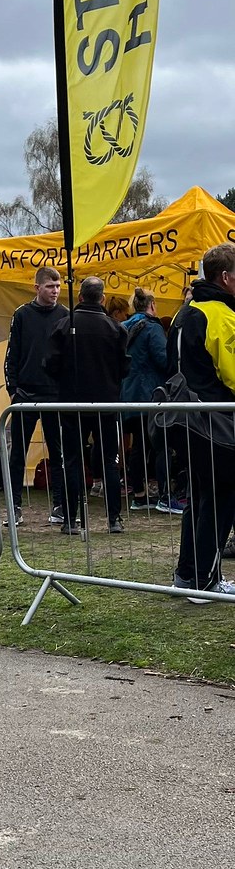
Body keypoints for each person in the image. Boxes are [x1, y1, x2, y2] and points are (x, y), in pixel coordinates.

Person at [167, 243, 235, 601]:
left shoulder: (184, 312)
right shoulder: (219, 314)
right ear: (225, 277)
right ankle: (204, 581)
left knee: (200, 498)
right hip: (216, 421)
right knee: (219, 499)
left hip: (186, 419)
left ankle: (187, 575)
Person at [44, 276, 129, 536]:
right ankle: (114, 519)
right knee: (109, 462)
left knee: (72, 460)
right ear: (102, 298)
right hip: (106, 403)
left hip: (72, 403)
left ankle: (70, 519)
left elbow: (49, 364)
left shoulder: (63, 325)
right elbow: (124, 367)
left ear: (80, 297)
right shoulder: (116, 329)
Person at [3, 266, 68, 527]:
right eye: (50, 286)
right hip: (25, 394)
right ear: (37, 288)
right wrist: (13, 390)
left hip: (55, 395)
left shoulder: (65, 315)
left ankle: (61, 505)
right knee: (18, 453)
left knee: (58, 453)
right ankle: (14, 506)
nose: (55, 291)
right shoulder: (22, 315)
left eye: (58, 286)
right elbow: (12, 355)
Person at [121, 288, 168, 510]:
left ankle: (138, 492)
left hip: (129, 392)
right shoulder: (152, 328)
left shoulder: (125, 327)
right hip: (150, 393)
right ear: (151, 305)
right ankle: (161, 494)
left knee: (139, 444)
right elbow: (163, 359)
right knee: (157, 446)